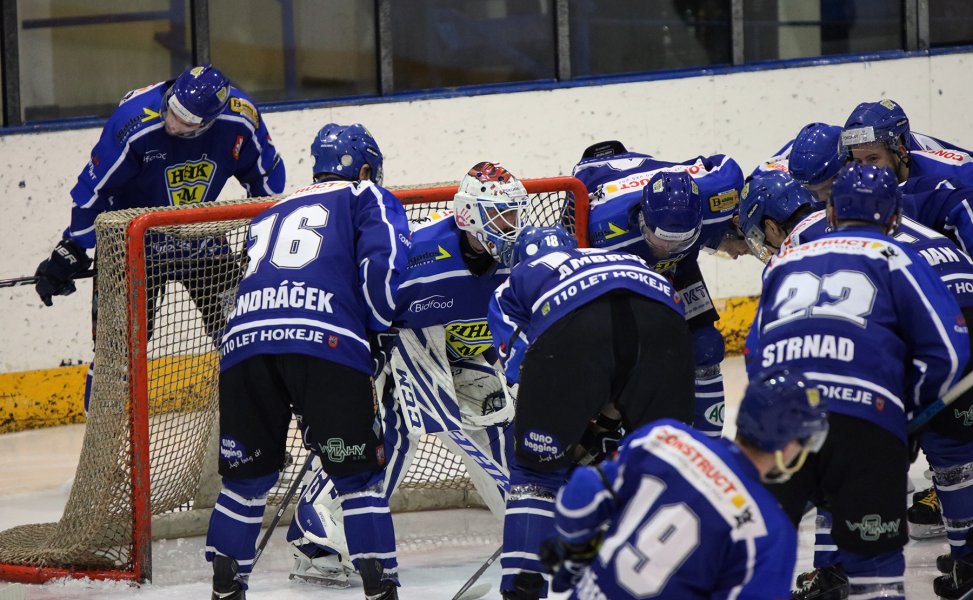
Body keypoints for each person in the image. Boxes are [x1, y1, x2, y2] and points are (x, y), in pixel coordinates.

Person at [285, 161, 527, 587]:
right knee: (394, 434)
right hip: (399, 347)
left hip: (464, 356)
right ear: (469, 213)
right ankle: (315, 531)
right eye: (499, 215)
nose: (510, 227)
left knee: (494, 413)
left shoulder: (521, 256)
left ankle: (529, 521)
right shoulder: (418, 253)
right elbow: (361, 304)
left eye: (513, 215)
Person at [741, 168, 973, 599]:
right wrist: (906, 414)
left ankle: (828, 574)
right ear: (893, 218)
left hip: (781, 418)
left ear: (829, 210)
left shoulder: (786, 260)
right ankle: (967, 560)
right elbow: (948, 352)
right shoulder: (896, 254)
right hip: (869, 415)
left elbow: (755, 355)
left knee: (762, 545)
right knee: (876, 565)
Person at [206, 122, 408, 600]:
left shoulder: (269, 210)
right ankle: (381, 587)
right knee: (358, 477)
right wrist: (378, 334)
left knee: (245, 479)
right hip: (327, 344)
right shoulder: (367, 196)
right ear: (364, 168)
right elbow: (382, 270)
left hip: (245, 346)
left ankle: (226, 586)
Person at [32, 64, 286, 408]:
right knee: (116, 354)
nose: (172, 121)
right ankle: (105, 456)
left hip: (202, 239)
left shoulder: (241, 119)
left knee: (244, 332)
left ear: (209, 122)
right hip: (133, 245)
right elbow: (95, 189)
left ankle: (255, 443)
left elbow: (266, 178)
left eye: (185, 121)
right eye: (172, 109)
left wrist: (262, 239)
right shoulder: (134, 122)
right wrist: (74, 245)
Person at [487, 223, 696, 598]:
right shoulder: (622, 257)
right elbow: (628, 338)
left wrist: (560, 439)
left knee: (535, 471)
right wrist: (611, 414)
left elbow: (525, 366)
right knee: (671, 468)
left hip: (577, 327)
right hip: (663, 319)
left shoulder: (516, 279)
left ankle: (522, 589)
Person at [546, 368, 829, 599]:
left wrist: (575, 557)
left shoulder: (666, 436)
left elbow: (582, 492)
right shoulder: (769, 532)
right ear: (787, 443)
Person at [572, 142, 745, 438]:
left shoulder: (719, 195)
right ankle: (601, 432)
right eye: (661, 239)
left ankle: (710, 448)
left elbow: (725, 163)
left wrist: (739, 229)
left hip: (681, 268)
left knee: (706, 347)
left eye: (679, 242)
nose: (667, 250)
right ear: (642, 219)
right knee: (621, 360)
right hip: (624, 268)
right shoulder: (602, 231)